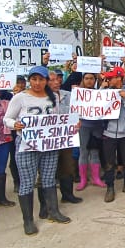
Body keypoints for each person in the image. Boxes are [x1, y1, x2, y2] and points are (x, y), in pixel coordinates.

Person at [4, 66, 71, 236]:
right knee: (27, 182)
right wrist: (15, 125)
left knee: (49, 179)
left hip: (49, 144)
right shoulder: (20, 98)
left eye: (41, 79)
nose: (37, 83)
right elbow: (7, 118)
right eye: (34, 79)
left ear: (46, 81)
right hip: (26, 145)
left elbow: (57, 119)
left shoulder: (52, 97)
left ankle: (53, 211)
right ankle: (28, 220)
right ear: (29, 80)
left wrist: (71, 125)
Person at [99, 66, 125, 202]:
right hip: (108, 133)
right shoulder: (104, 91)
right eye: (108, 77)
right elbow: (95, 106)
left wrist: (124, 98)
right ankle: (110, 187)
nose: (109, 79)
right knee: (109, 163)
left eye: (112, 77)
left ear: (120, 78)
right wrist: (101, 88)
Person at [47, 71, 82, 205]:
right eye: (52, 80)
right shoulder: (41, 99)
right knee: (48, 171)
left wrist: (78, 121)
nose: (56, 82)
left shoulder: (68, 95)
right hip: (48, 141)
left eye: (57, 79)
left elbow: (75, 111)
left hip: (66, 139)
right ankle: (48, 204)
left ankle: (67, 195)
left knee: (67, 167)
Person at [76, 73, 107, 191]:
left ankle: (96, 178)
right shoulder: (78, 93)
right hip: (83, 126)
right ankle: (83, 179)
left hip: (97, 126)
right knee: (83, 152)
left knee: (95, 152)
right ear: (83, 79)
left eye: (91, 78)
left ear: (95, 80)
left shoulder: (100, 93)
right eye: (86, 78)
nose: (89, 81)